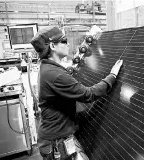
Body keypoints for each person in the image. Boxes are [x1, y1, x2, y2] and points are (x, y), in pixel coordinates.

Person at [30, 26, 123, 160]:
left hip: (55, 137)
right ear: (52, 45)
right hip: (57, 142)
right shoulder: (55, 74)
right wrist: (112, 75)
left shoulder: (49, 69)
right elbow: (88, 94)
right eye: (64, 41)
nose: (68, 44)